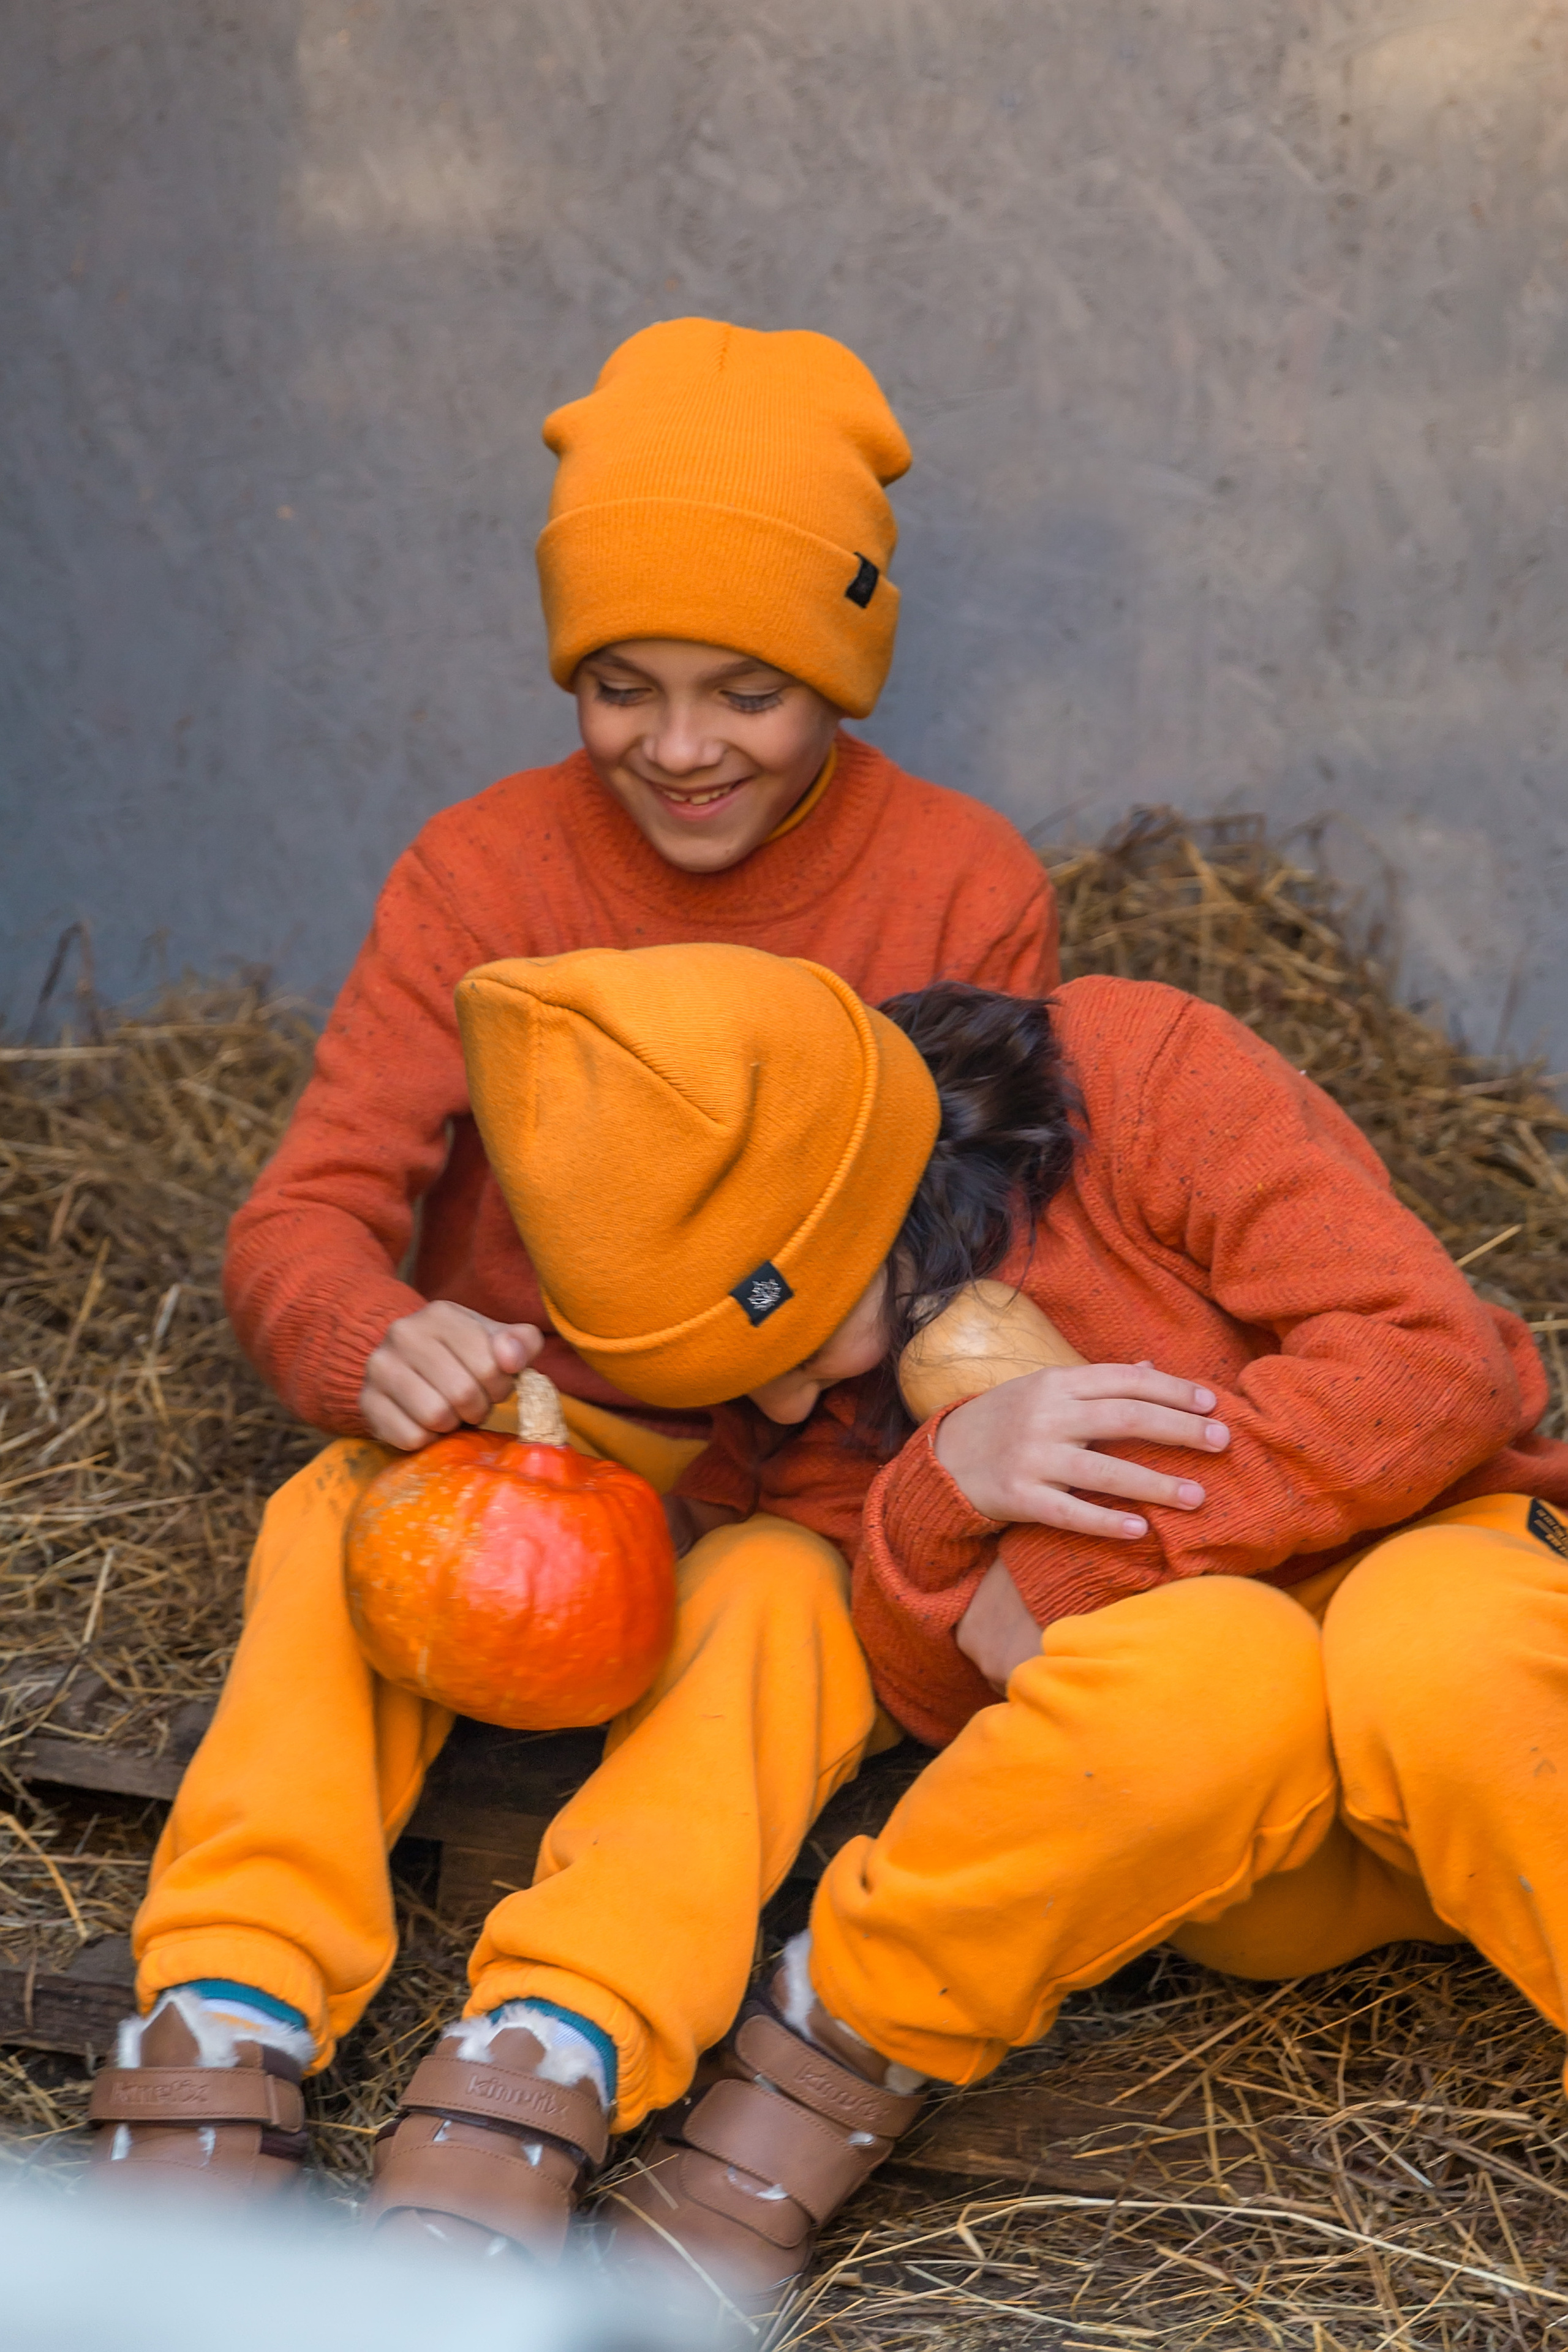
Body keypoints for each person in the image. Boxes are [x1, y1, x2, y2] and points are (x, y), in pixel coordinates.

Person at [83, 322, 1061, 2206]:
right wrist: (372, 1338)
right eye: (622, 686)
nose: (681, 747)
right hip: (541, 1436)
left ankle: (553, 2040)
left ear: (846, 669)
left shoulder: (959, 884)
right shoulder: (484, 869)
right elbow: (306, 1216)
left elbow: (973, 1247)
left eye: (750, 692)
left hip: (811, 1469)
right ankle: (225, 1999)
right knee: (333, 1519)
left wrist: (875, 1445)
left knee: (786, 1613)